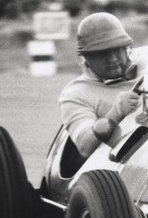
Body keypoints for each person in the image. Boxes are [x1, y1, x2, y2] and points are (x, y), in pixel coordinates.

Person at [58, 12, 142, 157]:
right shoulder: (75, 94)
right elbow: (84, 146)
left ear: (126, 48)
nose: (113, 59)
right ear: (87, 58)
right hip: (120, 163)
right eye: (103, 54)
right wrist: (115, 114)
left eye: (118, 50)